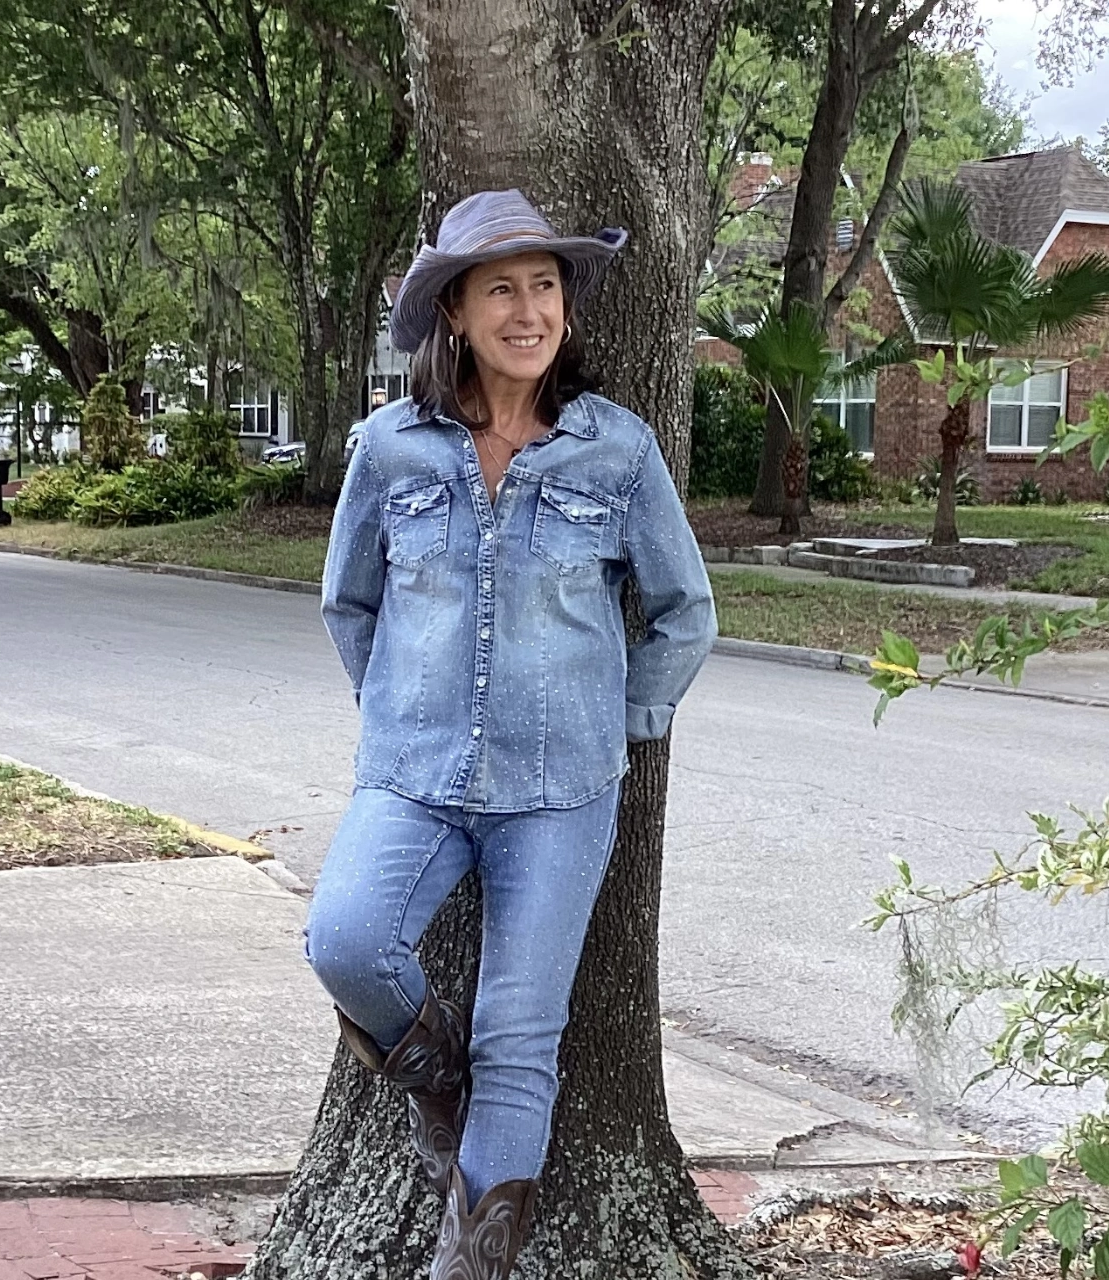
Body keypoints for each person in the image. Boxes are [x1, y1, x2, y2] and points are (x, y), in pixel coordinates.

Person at [307, 188, 717, 1279]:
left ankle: (469, 1267)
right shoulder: (388, 449)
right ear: (455, 310)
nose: (528, 310)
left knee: (521, 1038)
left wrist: (619, 722)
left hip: (559, 792)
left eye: (545, 286)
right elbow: (349, 604)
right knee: (344, 940)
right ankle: (436, 1080)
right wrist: (402, 706)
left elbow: (684, 611)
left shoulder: (614, 449)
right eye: (501, 289)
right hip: (413, 776)